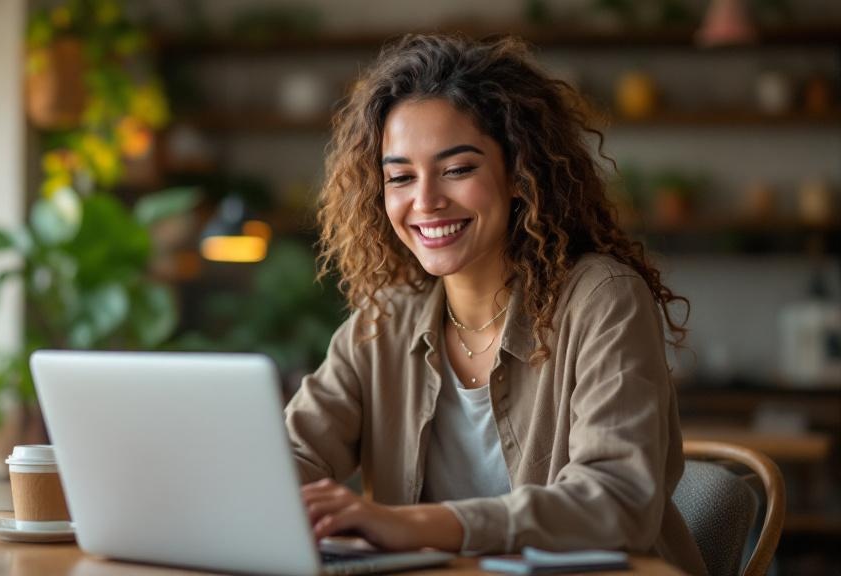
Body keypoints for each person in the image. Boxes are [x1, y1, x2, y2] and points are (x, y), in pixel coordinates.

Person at [284, 33, 707, 575]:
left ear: (519, 173)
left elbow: (616, 502)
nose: (426, 201)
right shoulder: (383, 321)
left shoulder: (602, 299)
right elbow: (295, 455)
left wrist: (416, 526)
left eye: (458, 169)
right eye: (400, 177)